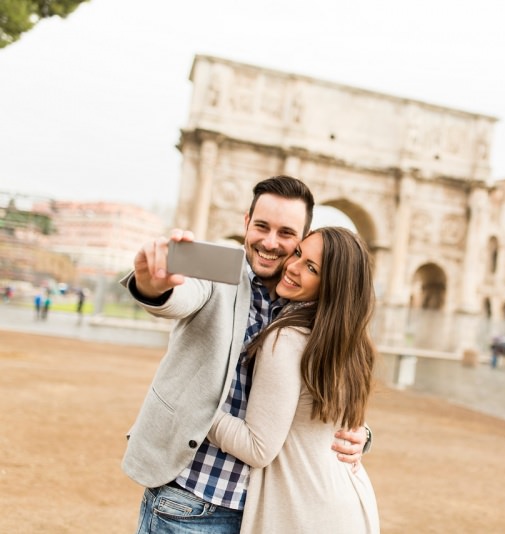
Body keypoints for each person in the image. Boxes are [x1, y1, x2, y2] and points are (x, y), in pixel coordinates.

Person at [121, 176, 371, 533]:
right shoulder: (216, 264)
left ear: (304, 237)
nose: (270, 243)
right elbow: (178, 295)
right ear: (245, 223)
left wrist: (358, 433)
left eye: (286, 234)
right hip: (189, 497)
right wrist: (154, 285)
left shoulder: (314, 309)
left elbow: (319, 393)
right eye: (262, 227)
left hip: (262, 510)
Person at [208, 226, 379, 532]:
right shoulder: (353, 346)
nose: (292, 266)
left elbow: (256, 447)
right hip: (352, 506)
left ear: (332, 286)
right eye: (299, 253)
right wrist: (364, 436)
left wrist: (195, 410)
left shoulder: (287, 338)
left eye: (311, 268)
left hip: (303, 511)